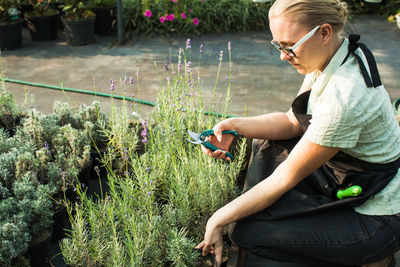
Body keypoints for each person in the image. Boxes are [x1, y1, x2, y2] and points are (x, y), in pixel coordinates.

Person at [195, 0, 400, 266]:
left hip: (377, 215)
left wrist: (218, 219)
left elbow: (284, 178)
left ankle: (374, 258)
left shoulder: (345, 97)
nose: (283, 55)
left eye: (289, 46)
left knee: (247, 232)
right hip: (349, 177)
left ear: (324, 32)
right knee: (267, 144)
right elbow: (291, 121)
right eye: (278, 45)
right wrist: (233, 125)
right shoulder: (333, 56)